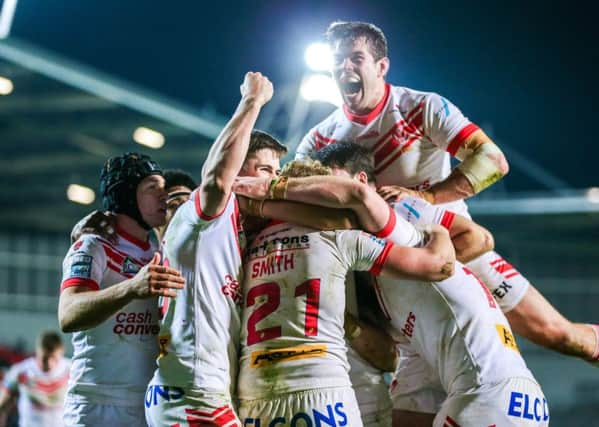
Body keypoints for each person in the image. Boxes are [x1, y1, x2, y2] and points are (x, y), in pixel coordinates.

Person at [296, 20, 599, 363]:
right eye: (338, 60)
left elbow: (492, 160)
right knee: (396, 365)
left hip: (452, 245)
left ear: (381, 67)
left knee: (556, 333)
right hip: (379, 268)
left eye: (356, 58)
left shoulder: (420, 107)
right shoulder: (319, 139)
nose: (344, 68)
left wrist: (426, 198)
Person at [236, 149, 549, 426]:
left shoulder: (397, 216)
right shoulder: (373, 269)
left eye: (326, 188)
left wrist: (263, 196)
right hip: (504, 391)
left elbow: (454, 255)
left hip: (485, 393)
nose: (322, 195)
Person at [236, 160, 456, 427]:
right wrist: (439, 231)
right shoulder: (340, 238)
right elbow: (439, 266)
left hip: (254, 395)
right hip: (321, 388)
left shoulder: (244, 248)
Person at [144, 72, 282, 427]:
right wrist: (252, 102)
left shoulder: (234, 232)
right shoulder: (205, 214)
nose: (274, 180)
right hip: (191, 391)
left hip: (201, 389)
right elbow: (218, 179)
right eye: (265, 169)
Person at [58, 152, 185, 426]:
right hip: (97, 404)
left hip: (148, 403)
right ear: (126, 196)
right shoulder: (93, 245)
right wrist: (131, 288)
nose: (164, 196)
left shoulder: (158, 251)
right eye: (153, 188)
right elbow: (68, 314)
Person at [0, 331, 70, 427]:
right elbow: (2, 406)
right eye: (44, 358)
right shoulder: (21, 371)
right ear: (37, 351)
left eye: (53, 358)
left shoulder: (72, 370)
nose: (49, 363)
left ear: (61, 351)